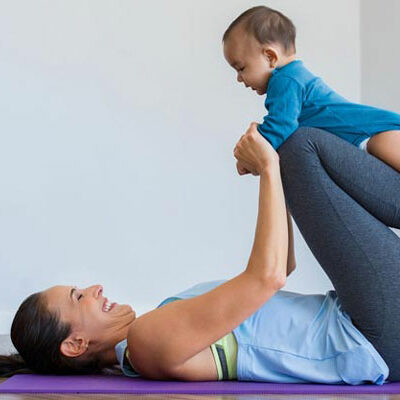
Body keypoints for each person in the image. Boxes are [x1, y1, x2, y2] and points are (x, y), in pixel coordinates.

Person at [1, 125, 400, 384]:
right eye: (78, 297)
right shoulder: (146, 341)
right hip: (369, 336)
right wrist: (271, 165)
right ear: (75, 344)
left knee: (308, 153)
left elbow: (282, 265)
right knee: (303, 149)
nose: (93, 288)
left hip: (365, 325)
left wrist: (270, 175)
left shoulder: (159, 321)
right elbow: (269, 275)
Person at [223, 6, 400, 175]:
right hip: (367, 137)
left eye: (241, 68)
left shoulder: (285, 79)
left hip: (375, 132)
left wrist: (248, 156)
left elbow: (280, 125)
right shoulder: (294, 77)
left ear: (270, 57)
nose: (239, 78)